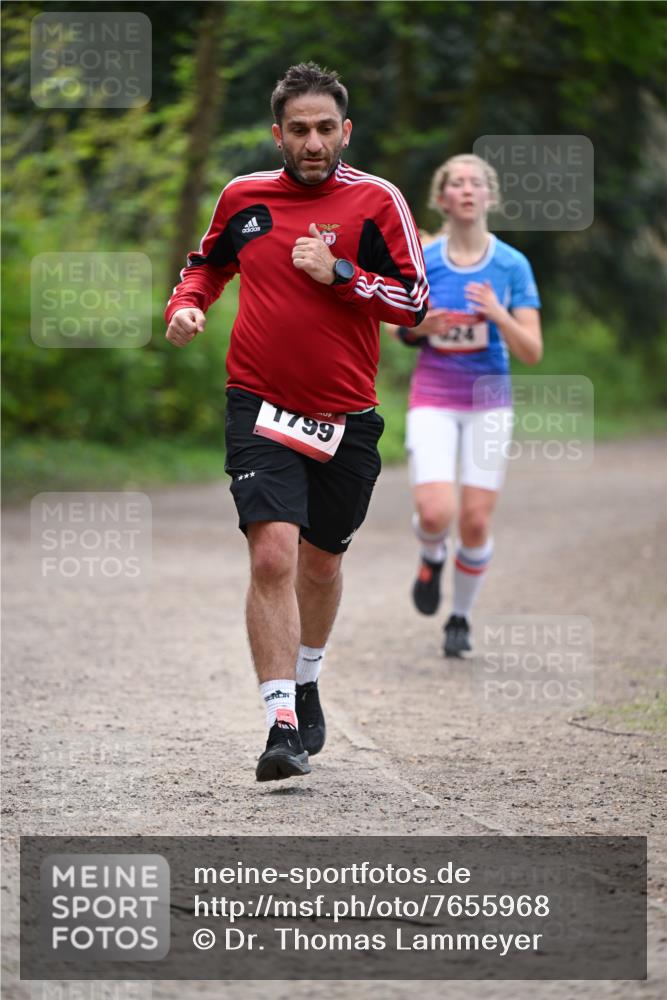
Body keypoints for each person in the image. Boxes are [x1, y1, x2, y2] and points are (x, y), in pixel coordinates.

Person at [164, 63, 428, 781]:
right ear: (277, 134)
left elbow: (414, 304)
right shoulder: (243, 197)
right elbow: (206, 266)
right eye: (298, 130)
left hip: (346, 415)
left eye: (324, 129)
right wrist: (186, 305)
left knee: (321, 562)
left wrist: (340, 275)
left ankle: (307, 676)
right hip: (258, 403)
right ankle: (280, 722)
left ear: (345, 131)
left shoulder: (376, 202)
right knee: (273, 555)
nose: (312, 143)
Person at [388, 153, 542, 657]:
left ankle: (460, 618)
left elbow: (532, 351)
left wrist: (497, 312)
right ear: (442, 198)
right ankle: (432, 554)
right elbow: (397, 329)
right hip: (434, 395)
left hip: (488, 401)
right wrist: (420, 327)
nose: (468, 190)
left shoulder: (511, 264)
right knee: (436, 513)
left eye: (477, 183)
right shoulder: (425, 259)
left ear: (490, 197)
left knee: (474, 522)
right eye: (457, 183)